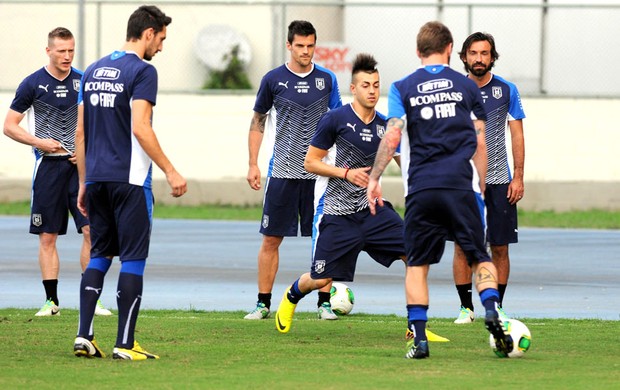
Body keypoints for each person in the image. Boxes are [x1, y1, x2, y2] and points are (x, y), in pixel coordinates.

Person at [366, 21, 513, 359]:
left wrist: (375, 178)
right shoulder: (467, 87)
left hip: (422, 188)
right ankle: (491, 310)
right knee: (479, 256)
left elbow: (392, 136)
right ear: (450, 50)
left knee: (417, 265)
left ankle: (419, 338)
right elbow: (480, 140)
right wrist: (481, 185)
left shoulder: (402, 87)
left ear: (418, 52)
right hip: (460, 185)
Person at [72, 5, 186, 360]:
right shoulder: (142, 71)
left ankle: (85, 336)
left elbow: (80, 132)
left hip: (97, 180)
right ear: (148, 33)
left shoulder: (91, 70)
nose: (162, 48)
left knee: (100, 255)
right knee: (134, 259)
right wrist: (170, 169)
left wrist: (83, 183)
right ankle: (125, 343)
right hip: (131, 181)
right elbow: (140, 126)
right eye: (162, 39)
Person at [3, 27, 111, 317]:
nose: (67, 56)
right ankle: (51, 302)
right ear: (48, 50)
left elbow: (101, 122)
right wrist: (40, 143)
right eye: (61, 50)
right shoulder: (32, 84)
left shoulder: (84, 80)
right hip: (48, 170)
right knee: (48, 237)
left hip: (82, 170)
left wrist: (87, 151)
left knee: (91, 231)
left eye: (71, 50)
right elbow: (9, 125)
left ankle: (94, 300)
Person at [245, 20, 342, 320]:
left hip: (320, 175)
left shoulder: (328, 79)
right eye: (299, 46)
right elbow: (257, 122)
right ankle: (263, 304)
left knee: (326, 238)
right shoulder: (273, 79)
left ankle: (324, 303)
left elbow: (338, 122)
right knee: (271, 239)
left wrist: (341, 168)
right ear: (289, 45)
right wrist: (252, 163)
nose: (305, 51)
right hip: (283, 172)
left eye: (310, 46)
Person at [452, 32, 526, 324]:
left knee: (499, 246)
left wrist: (518, 176)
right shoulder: (455, 89)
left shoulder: (506, 90)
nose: (479, 59)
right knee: (461, 245)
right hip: (462, 182)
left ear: (492, 57)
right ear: (464, 57)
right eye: (473, 53)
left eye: (484, 53)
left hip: (498, 180)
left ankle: (497, 307)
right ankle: (465, 308)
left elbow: (517, 132)